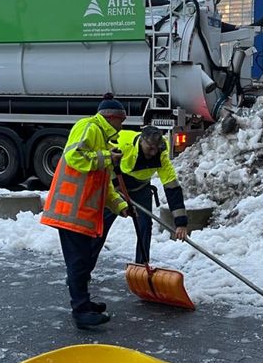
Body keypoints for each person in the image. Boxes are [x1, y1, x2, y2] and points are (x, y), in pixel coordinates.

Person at [41, 94, 130, 329]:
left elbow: (104, 183)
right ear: (112, 118)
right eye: (121, 121)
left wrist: (120, 206)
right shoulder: (88, 126)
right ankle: (80, 311)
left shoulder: (102, 139)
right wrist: (107, 157)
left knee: (84, 260)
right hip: (70, 210)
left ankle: (84, 302)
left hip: (81, 212)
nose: (121, 128)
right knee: (78, 262)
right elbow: (73, 156)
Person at [114, 126, 188, 264]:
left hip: (141, 188)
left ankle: (142, 266)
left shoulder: (161, 155)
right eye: (150, 148)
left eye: (156, 148)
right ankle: (83, 271)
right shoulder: (123, 143)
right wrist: (114, 187)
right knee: (101, 227)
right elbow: (105, 165)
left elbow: (172, 187)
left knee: (145, 225)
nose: (153, 152)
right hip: (117, 187)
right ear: (142, 141)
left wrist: (181, 223)